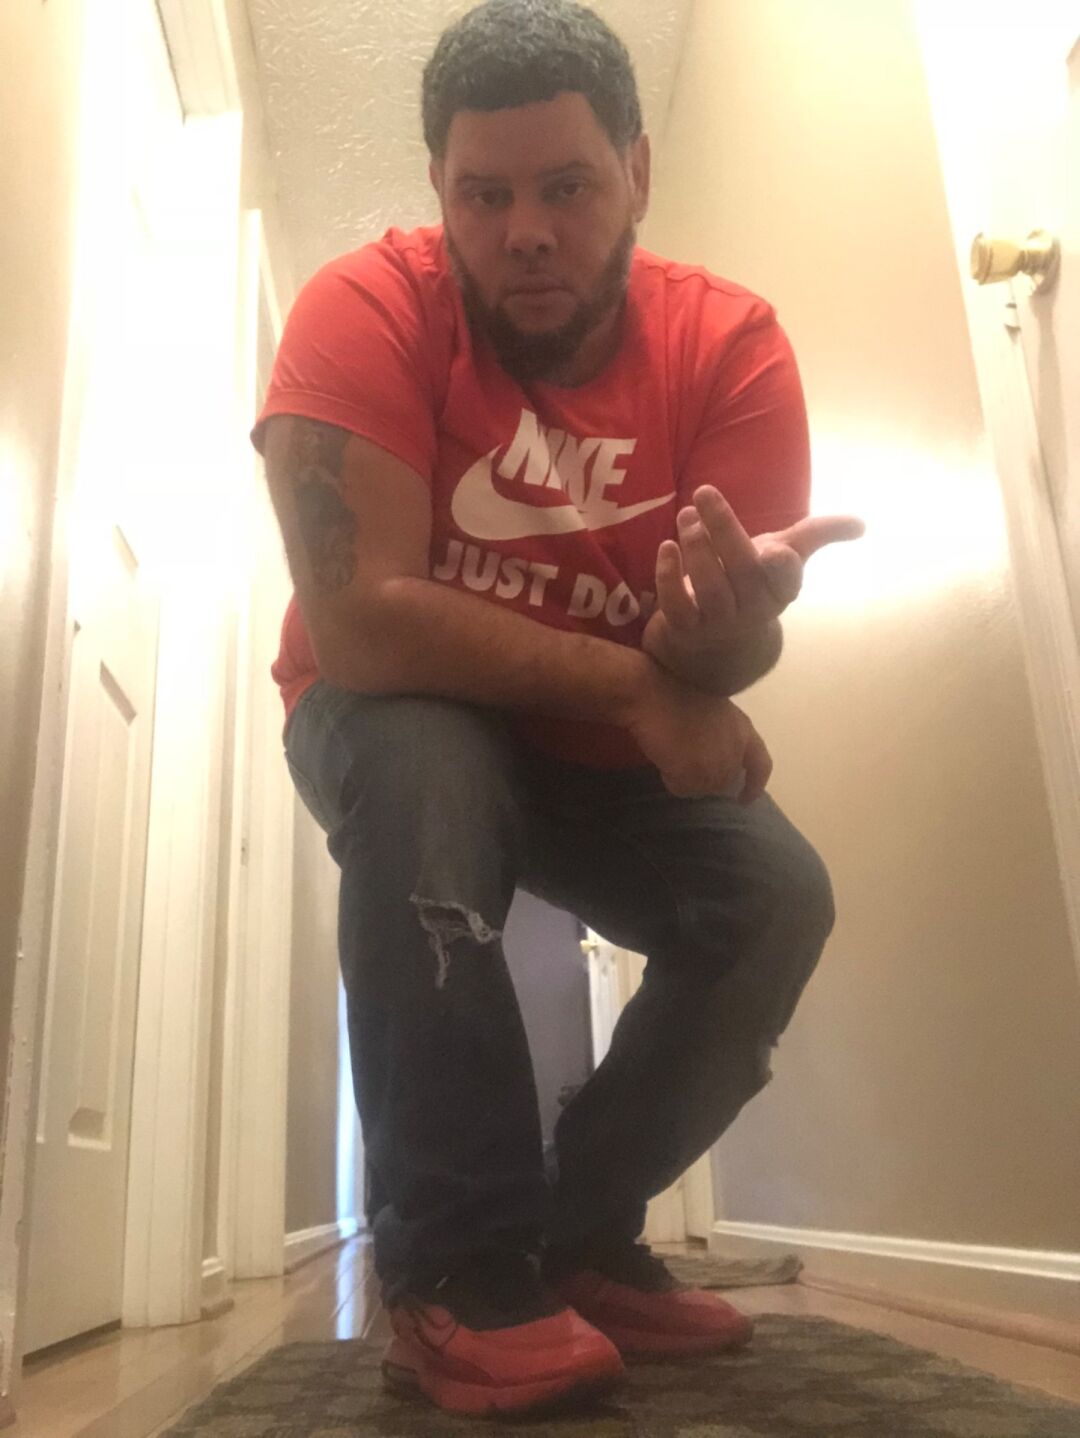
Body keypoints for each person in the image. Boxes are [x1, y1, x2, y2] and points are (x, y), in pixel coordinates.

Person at [254, 0, 862, 1418]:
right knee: (427, 766)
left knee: (776, 896)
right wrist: (642, 682)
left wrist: (722, 639)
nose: (524, 231)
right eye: (485, 195)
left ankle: (576, 1238)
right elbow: (364, 622)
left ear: (636, 172)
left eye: (567, 186)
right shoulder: (362, 308)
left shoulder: (730, 344)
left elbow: (714, 673)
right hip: (391, 708)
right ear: (439, 188)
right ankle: (456, 1271)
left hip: (597, 751)